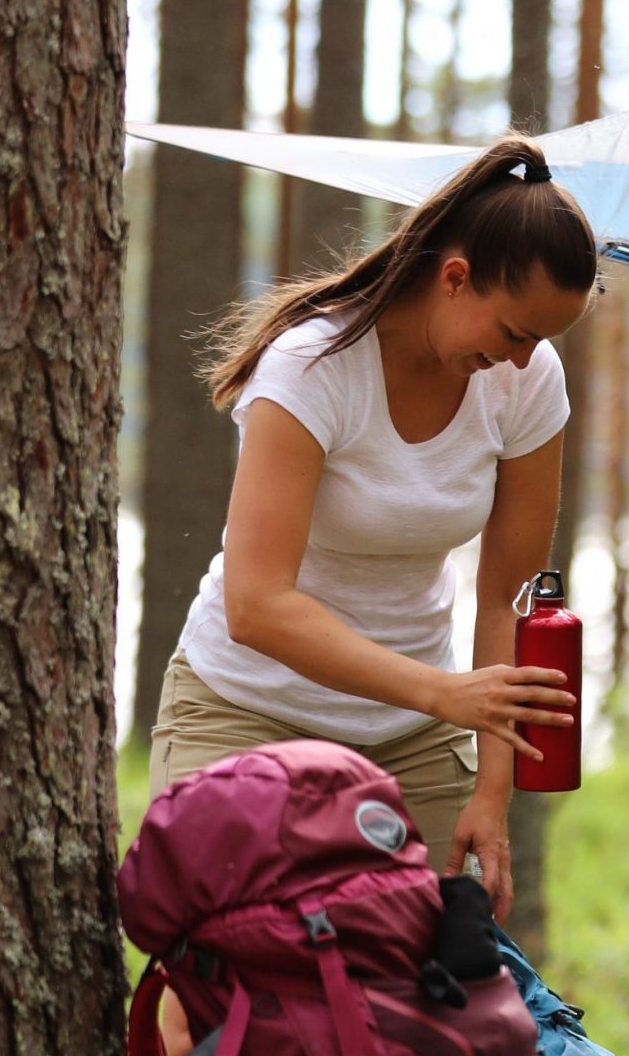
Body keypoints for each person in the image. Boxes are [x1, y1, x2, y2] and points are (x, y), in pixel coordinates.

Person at [149, 138, 597, 917]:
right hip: (245, 709)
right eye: (517, 332)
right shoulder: (313, 366)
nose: (526, 361)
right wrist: (442, 692)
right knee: (216, 971)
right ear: (455, 278)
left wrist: (491, 794)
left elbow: (506, 598)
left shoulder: (523, 380)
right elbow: (258, 605)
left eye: (544, 342)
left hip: (412, 737)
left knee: (400, 994)